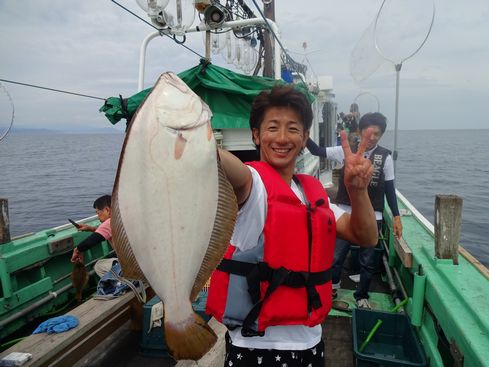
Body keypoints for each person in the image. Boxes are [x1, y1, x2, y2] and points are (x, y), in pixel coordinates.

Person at [206, 85, 378, 366]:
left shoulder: (312, 194)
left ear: (305, 137)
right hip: (255, 348)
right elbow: (227, 167)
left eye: (293, 129)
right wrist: (195, 140)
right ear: (256, 135)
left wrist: (358, 191)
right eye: (272, 127)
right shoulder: (251, 185)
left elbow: (366, 236)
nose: (283, 138)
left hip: (310, 344)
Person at [306, 112, 403, 310]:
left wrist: (396, 216)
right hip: (344, 214)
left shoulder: (385, 157)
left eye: (377, 133)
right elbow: (316, 150)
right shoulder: (345, 151)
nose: (372, 137)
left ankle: (362, 295)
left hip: (372, 216)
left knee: (367, 262)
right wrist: (302, 132)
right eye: (369, 132)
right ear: (359, 131)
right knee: (335, 257)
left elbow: (390, 189)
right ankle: (333, 286)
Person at [71, 194, 117, 277]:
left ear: (107, 210)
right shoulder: (121, 218)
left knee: (99, 266)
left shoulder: (110, 222)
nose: (97, 216)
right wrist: (91, 229)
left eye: (98, 213)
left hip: (131, 265)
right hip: (142, 260)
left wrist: (77, 250)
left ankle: (123, 285)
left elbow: (92, 240)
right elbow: (108, 232)